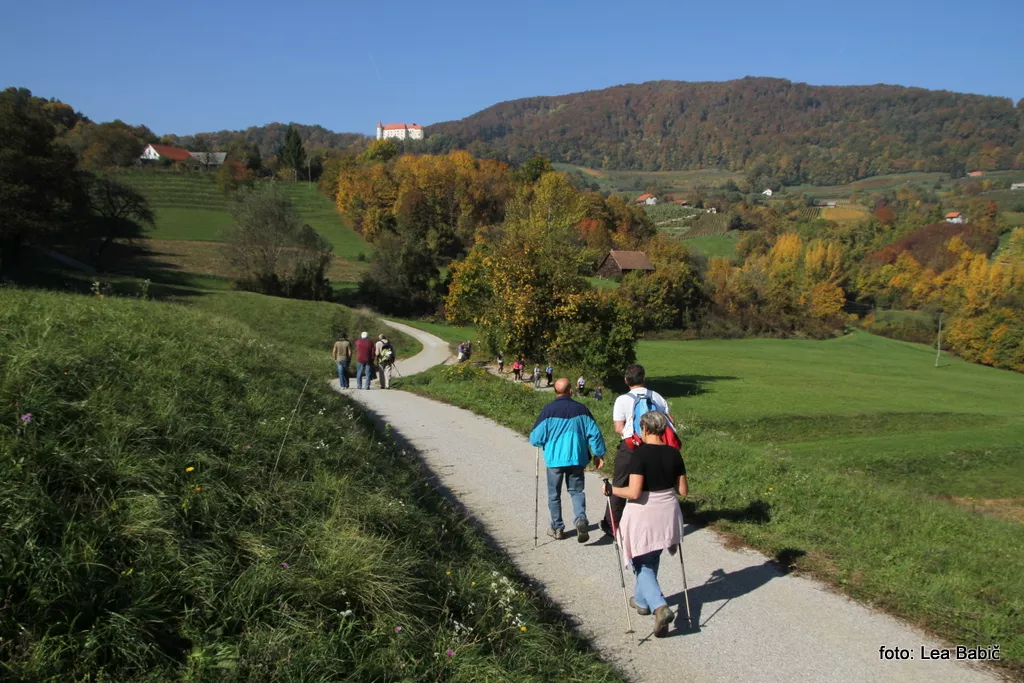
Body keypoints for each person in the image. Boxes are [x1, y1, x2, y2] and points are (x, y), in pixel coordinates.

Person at [607, 410, 687, 638]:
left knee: (640, 562)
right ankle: (642, 601)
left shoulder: (639, 455)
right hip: (668, 510)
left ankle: (659, 606)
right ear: (663, 429)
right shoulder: (674, 454)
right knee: (652, 556)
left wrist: (612, 489)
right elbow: (683, 490)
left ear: (645, 429)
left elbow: (633, 492)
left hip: (644, 511)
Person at [530, 378, 607, 542]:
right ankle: (580, 519)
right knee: (576, 491)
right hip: (577, 458)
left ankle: (557, 528)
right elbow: (594, 434)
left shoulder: (548, 411)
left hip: (554, 460)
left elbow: (535, 438)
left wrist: (545, 441)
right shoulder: (582, 409)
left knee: (554, 494)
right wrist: (598, 454)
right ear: (570, 390)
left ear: (555, 391)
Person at [603, 364, 671, 535]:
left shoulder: (622, 399)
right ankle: (650, 524)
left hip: (631, 447)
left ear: (626, 380)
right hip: (656, 448)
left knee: (620, 483)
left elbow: (619, 428)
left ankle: (613, 526)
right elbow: (670, 423)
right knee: (650, 485)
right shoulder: (657, 397)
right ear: (644, 379)